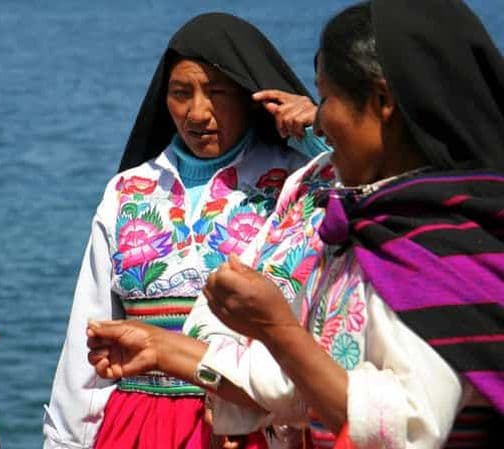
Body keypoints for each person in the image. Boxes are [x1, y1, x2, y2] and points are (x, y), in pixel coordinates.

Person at [90, 1, 504, 448]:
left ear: (383, 101)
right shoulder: (358, 219)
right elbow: (296, 385)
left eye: (327, 98)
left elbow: (404, 430)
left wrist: (278, 331)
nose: (317, 120)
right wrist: (162, 348)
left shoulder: (445, 245)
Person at [44, 12, 328, 449]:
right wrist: (66, 441)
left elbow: (369, 197)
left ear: (251, 96)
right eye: (181, 93)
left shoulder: (297, 181)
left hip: (250, 424)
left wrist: (317, 135)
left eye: (217, 93)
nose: (197, 113)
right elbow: (90, 329)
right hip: (136, 425)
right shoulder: (128, 191)